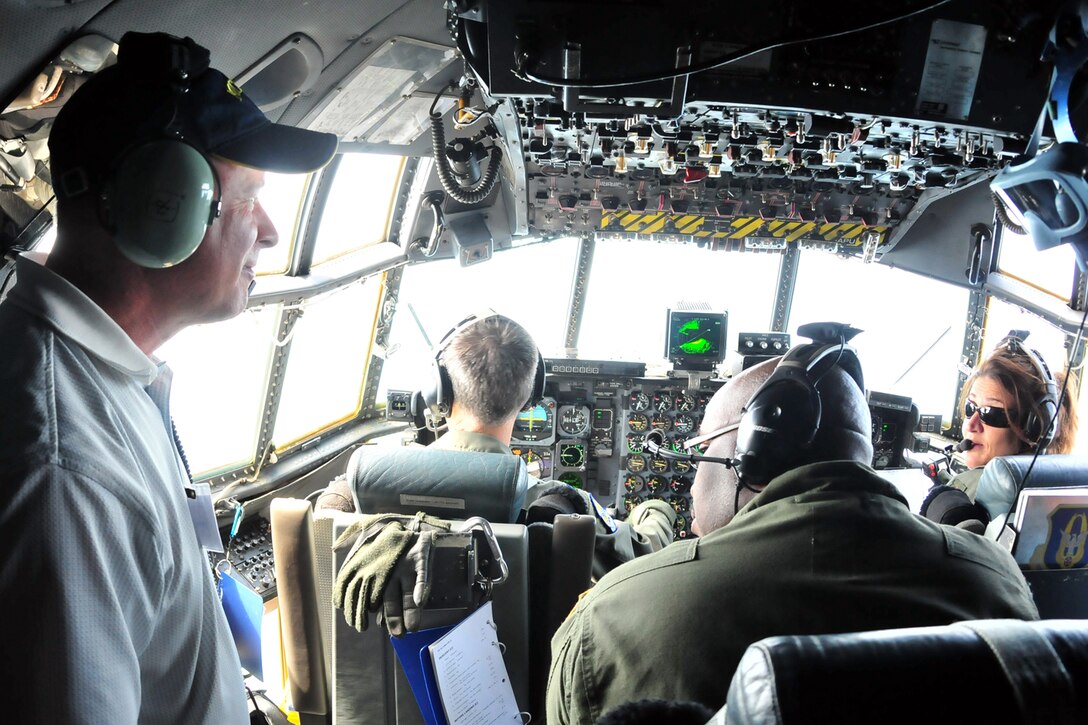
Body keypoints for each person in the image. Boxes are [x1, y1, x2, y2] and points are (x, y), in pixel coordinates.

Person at [0, 32, 337, 723]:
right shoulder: (67, 470)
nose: (270, 232)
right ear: (165, 205)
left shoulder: (107, 379)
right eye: (250, 199)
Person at [547, 341, 1040, 724]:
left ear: (749, 459)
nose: (694, 481)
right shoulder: (995, 580)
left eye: (700, 454)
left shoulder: (611, 617)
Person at [317, 312, 677, 576]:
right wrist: (657, 509)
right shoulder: (559, 505)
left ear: (439, 388)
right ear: (532, 396)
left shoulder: (358, 490)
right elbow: (643, 561)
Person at [952, 332, 1078, 498]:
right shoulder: (1054, 487)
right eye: (970, 407)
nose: (970, 425)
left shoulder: (978, 491)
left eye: (990, 412)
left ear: (1035, 428)